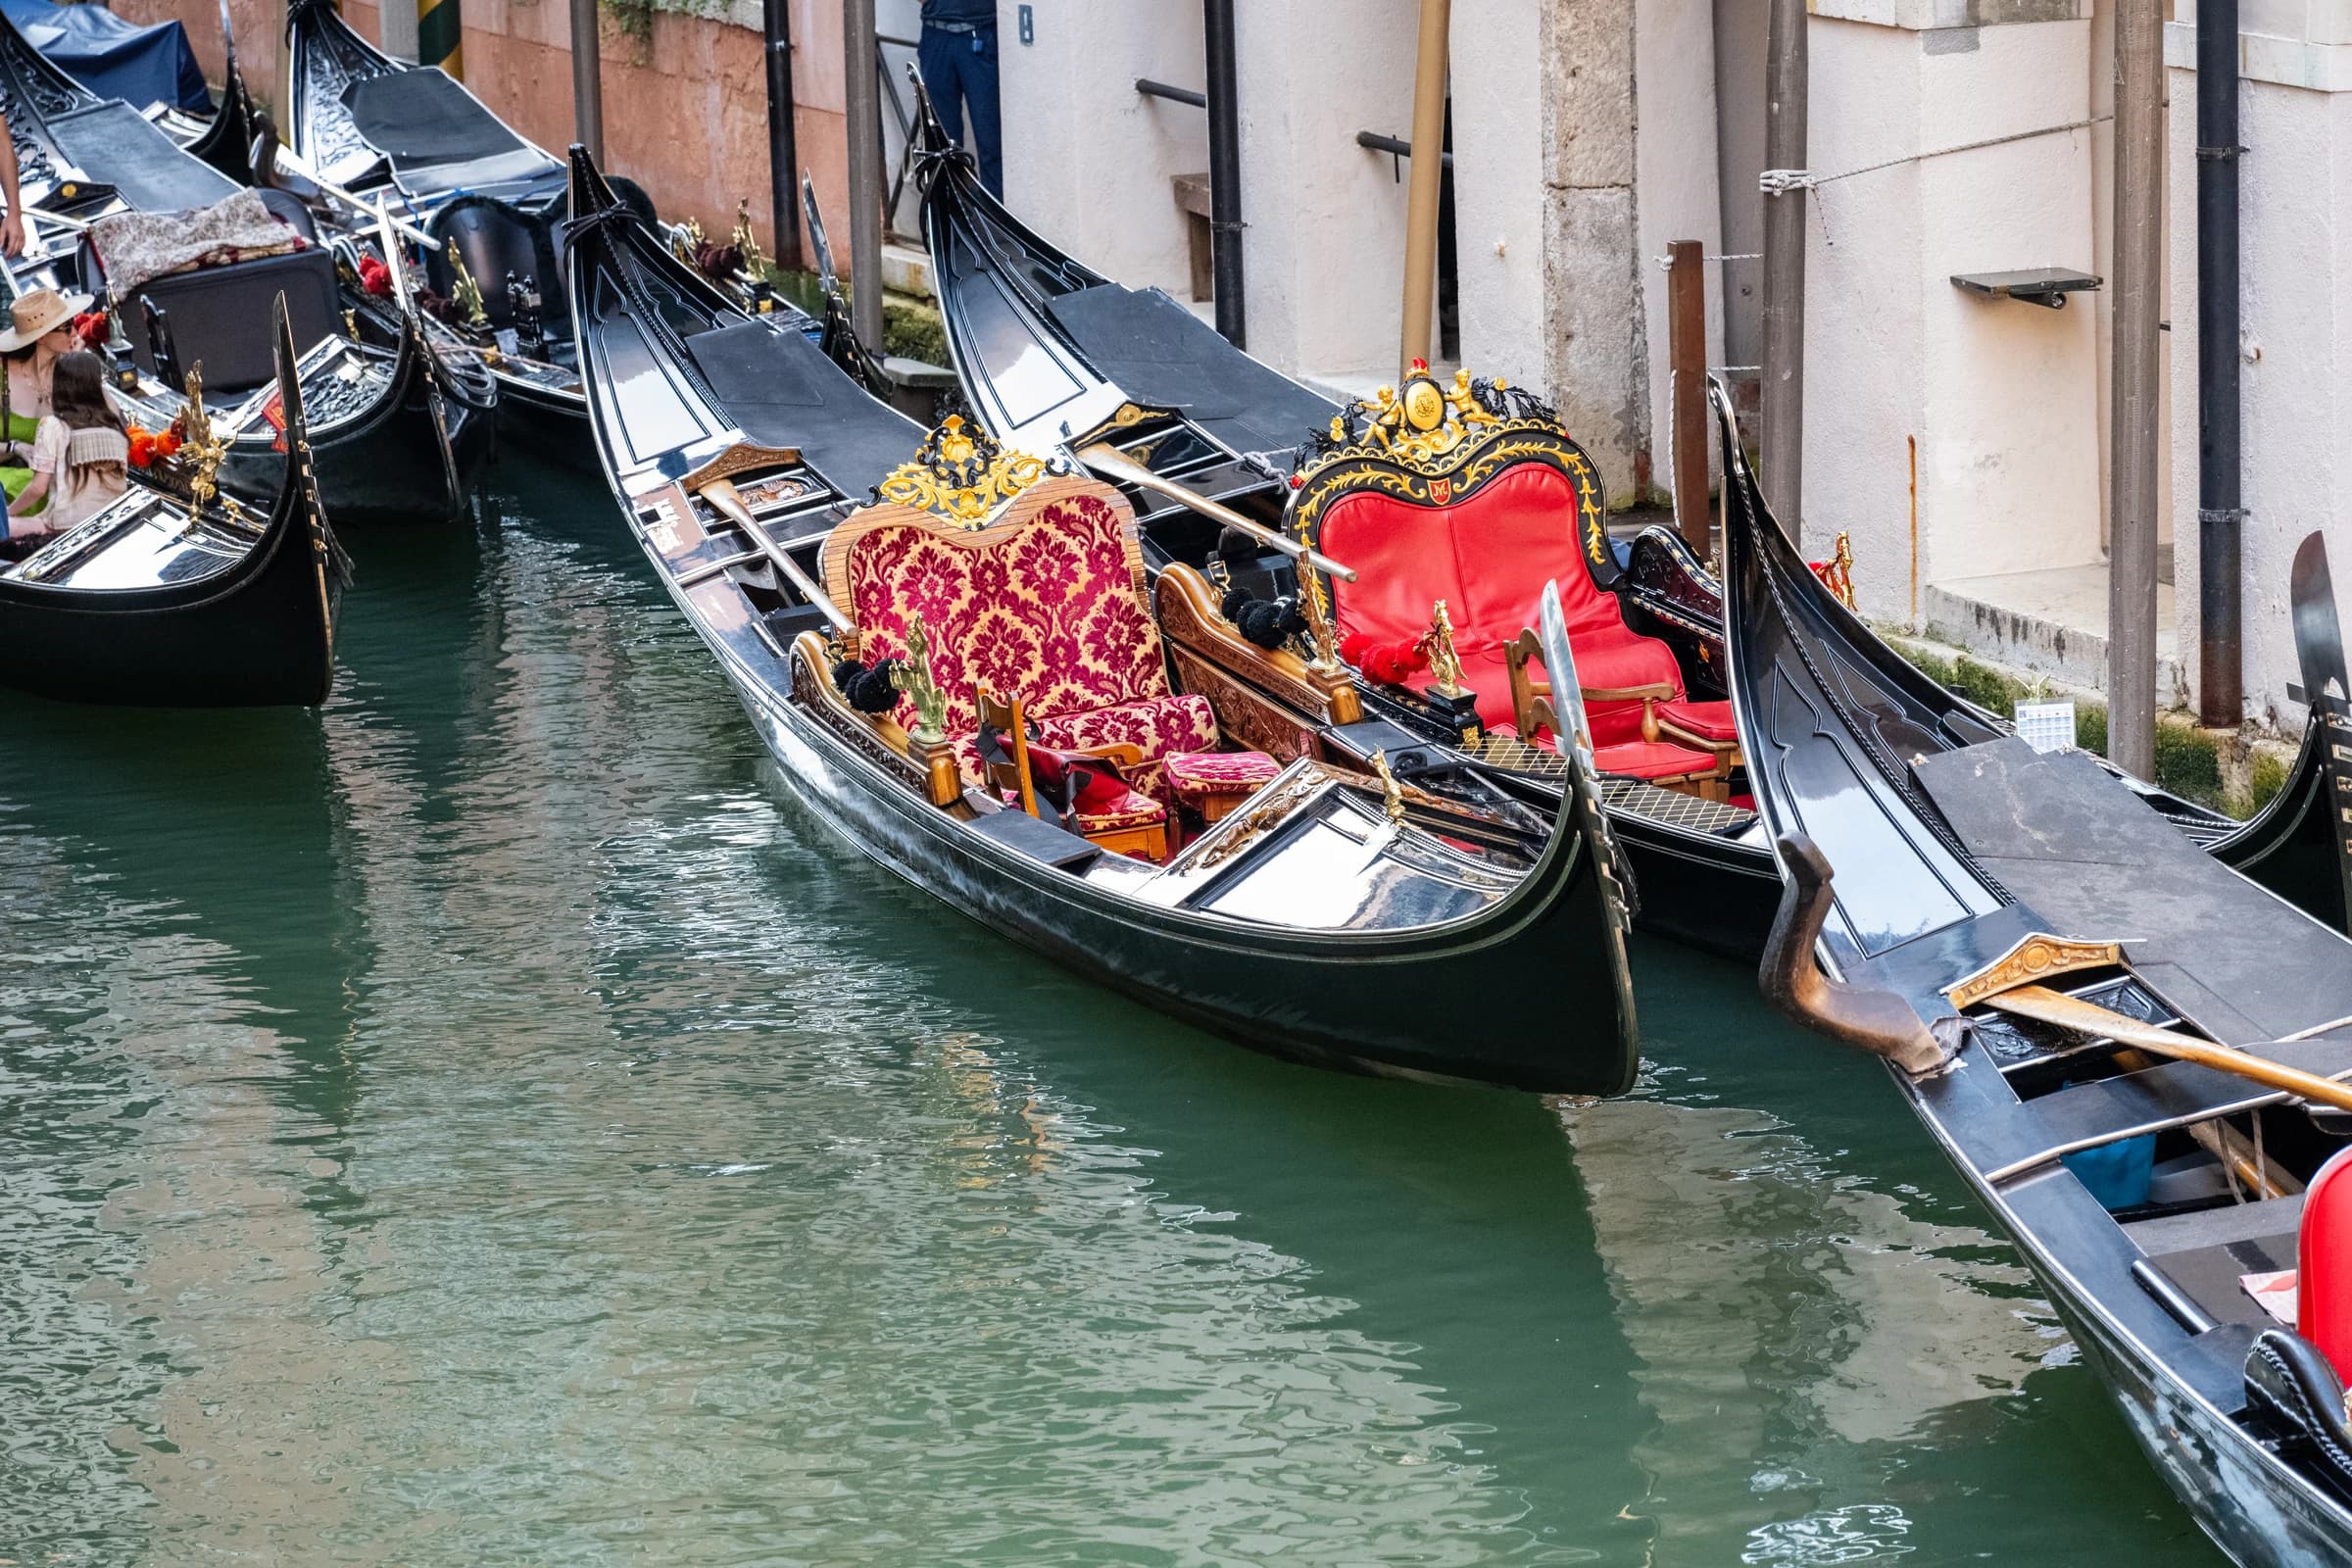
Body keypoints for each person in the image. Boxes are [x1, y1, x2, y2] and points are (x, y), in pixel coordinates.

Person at [5, 351, 127, 543]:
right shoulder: (115, 424)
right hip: (116, 517)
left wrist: (7, 515)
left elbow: (38, 489)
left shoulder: (52, 427)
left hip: (66, 525)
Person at [0, 287, 92, 519]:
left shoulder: (70, 368)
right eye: (66, 327)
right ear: (41, 336)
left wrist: (76, 368)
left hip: (53, 479)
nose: (75, 332)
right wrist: (15, 448)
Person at [917, 0, 1003, 201]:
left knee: (991, 142)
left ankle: (993, 226)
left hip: (980, 34)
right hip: (935, 34)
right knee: (942, 145)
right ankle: (951, 225)